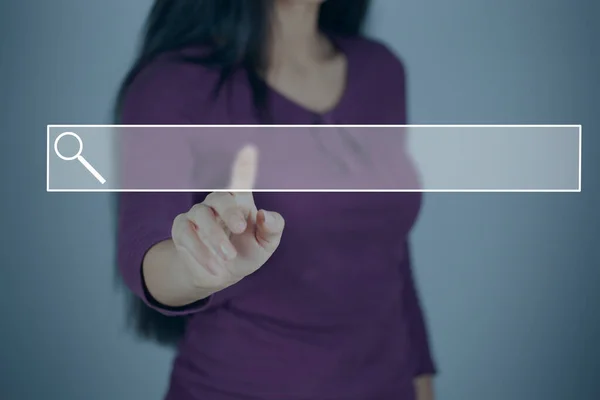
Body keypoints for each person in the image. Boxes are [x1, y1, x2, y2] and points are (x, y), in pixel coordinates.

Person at [116, 1, 437, 399]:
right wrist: (196, 266)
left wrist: (421, 380)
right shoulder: (173, 83)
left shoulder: (381, 70)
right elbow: (144, 247)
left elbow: (391, 254)